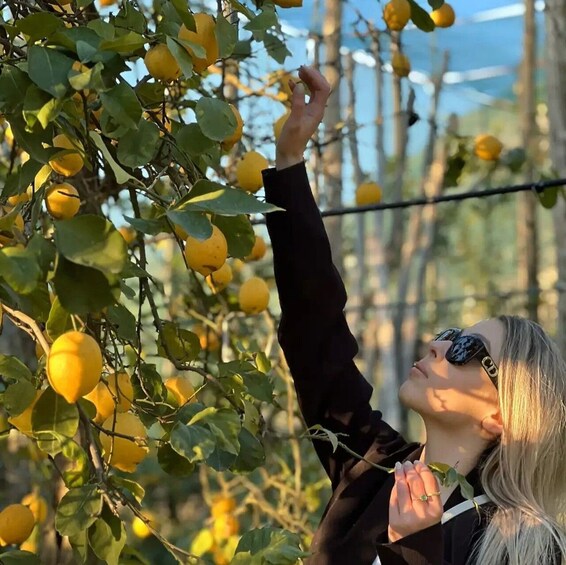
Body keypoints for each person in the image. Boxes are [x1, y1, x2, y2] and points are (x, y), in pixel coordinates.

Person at [261, 65, 566, 565]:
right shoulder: (372, 469)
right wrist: (291, 161)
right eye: (451, 334)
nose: (438, 345)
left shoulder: (525, 543)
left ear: (502, 416)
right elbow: (316, 336)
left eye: (468, 349)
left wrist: (416, 549)